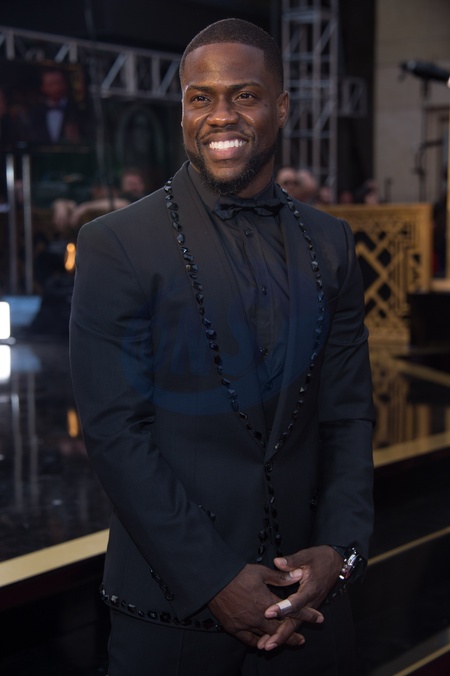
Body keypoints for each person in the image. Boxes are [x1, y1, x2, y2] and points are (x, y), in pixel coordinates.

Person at [70, 18, 374, 676]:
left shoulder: (333, 243)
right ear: (182, 110)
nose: (220, 115)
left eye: (245, 95)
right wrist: (213, 579)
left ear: (281, 107)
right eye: (200, 97)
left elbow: (349, 415)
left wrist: (340, 551)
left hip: (311, 611)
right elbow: (115, 432)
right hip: (170, 619)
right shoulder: (115, 244)